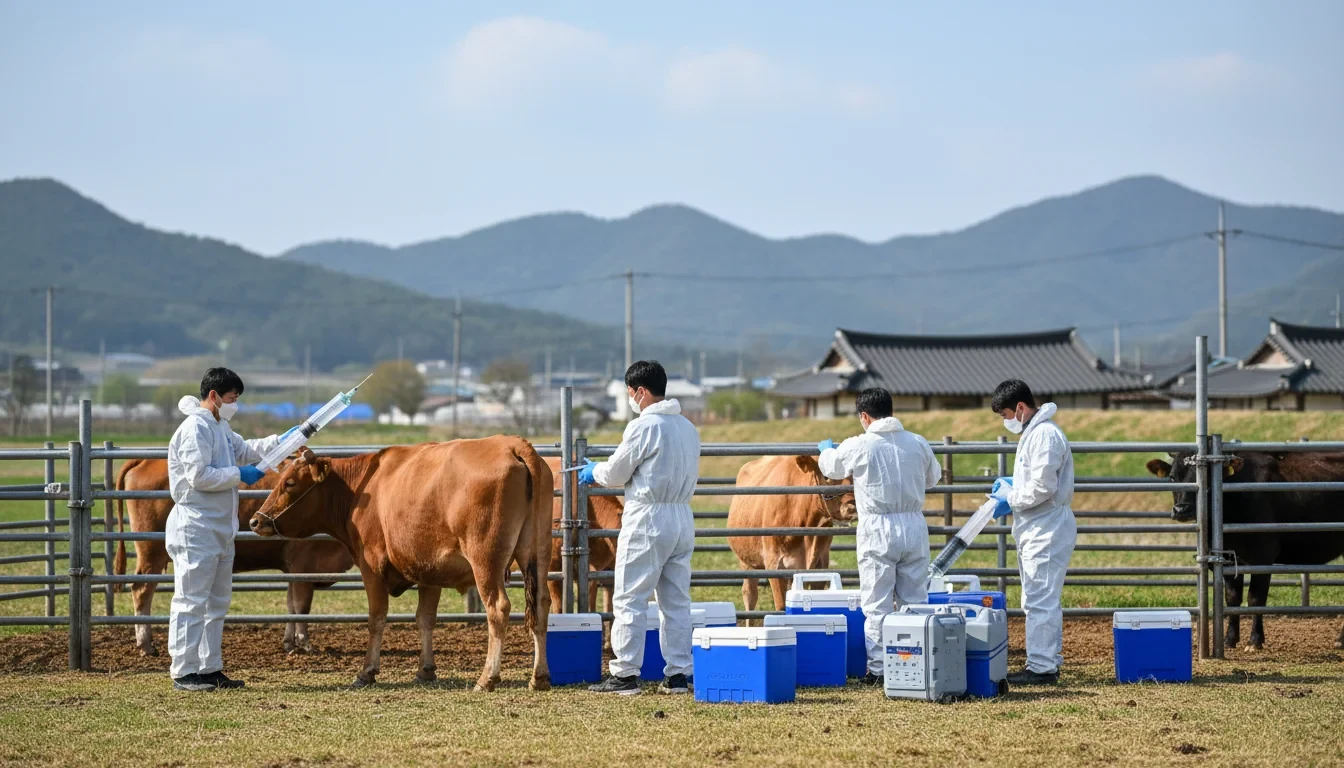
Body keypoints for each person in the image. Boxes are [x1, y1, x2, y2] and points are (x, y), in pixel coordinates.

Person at [579, 360, 700, 695]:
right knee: (675, 601)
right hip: (681, 517)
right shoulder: (688, 428)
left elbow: (617, 473)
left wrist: (595, 471)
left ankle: (625, 675)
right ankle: (679, 675)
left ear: (641, 392)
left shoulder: (643, 427)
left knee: (630, 596)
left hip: (648, 517)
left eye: (630, 392)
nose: (631, 398)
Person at [166, 367, 285, 692]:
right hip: (196, 526)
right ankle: (184, 670)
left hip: (220, 526)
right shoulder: (195, 429)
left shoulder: (220, 426)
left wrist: (282, 441)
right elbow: (199, 477)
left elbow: (245, 449)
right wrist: (238, 475)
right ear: (215, 396)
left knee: (217, 601)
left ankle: (209, 667)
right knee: (191, 599)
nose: (235, 404)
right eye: (232, 398)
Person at [816, 388, 940, 685]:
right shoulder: (917, 442)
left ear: (864, 416)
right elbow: (933, 477)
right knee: (914, 599)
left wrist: (825, 451)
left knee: (877, 602)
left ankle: (881, 668)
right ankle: (915, 662)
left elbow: (832, 467)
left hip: (877, 528)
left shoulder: (860, 444)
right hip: (913, 524)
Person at [988, 379, 1076, 686]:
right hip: (1037, 525)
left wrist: (1010, 497)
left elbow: (1043, 487)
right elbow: (1035, 482)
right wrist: (1013, 487)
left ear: (1021, 408)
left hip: (1046, 526)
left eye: (1005, 415)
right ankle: (1046, 661)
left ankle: (1042, 669)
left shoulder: (1045, 436)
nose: (1006, 421)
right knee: (1038, 597)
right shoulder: (1036, 433)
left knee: (1040, 598)